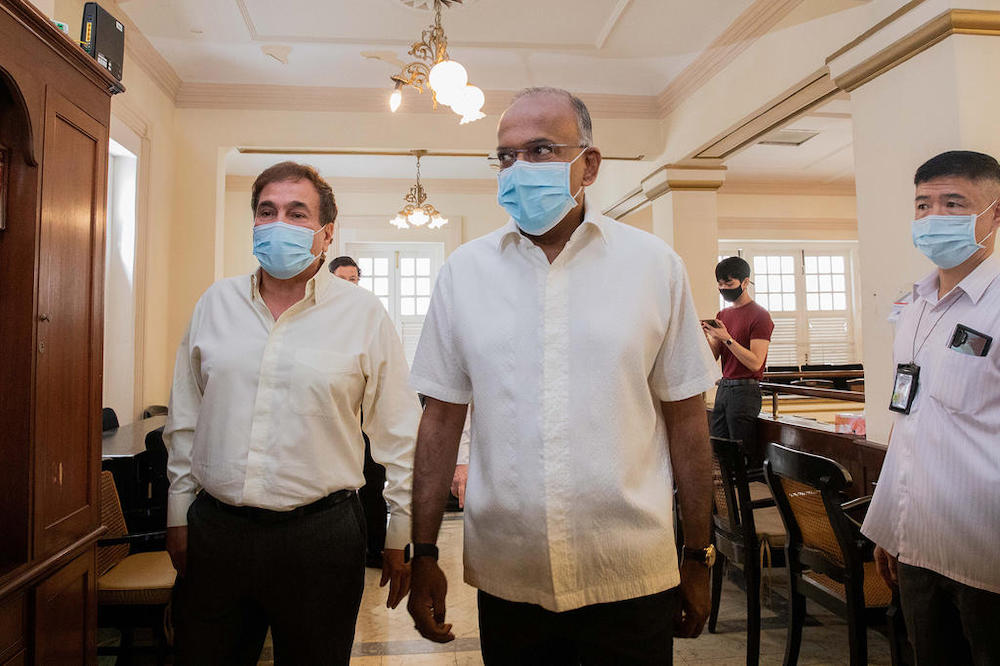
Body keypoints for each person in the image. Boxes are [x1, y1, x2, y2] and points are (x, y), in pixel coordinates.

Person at [406, 87, 721, 664]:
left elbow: (686, 420)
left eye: (541, 150)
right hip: (509, 572)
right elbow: (441, 419)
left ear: (588, 165)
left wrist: (698, 555)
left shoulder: (653, 267)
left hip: (628, 569)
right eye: (506, 156)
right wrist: (423, 550)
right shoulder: (464, 273)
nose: (519, 169)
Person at [164, 162, 419, 665]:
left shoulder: (363, 314)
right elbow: (186, 417)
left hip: (321, 538)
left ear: (327, 232)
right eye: (267, 211)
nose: (279, 223)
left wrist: (402, 530)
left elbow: (400, 432)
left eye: (297, 213)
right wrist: (178, 514)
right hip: (218, 532)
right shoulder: (215, 304)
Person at [863, 150, 1000, 665]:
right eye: (923, 205)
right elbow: (908, 421)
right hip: (918, 546)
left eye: (954, 203)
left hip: (987, 558)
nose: (933, 217)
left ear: (995, 214)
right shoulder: (914, 307)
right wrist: (888, 526)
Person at [330, 255, 389, 568]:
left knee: (373, 483)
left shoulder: (369, 315)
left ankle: (376, 549)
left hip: (366, 417)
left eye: (353, 279)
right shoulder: (320, 318)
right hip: (335, 418)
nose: (349, 285)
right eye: (342, 279)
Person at [703, 257, 773, 467]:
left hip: (745, 390)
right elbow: (713, 356)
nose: (724, 288)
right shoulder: (723, 314)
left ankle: (745, 488)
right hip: (724, 387)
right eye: (720, 284)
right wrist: (706, 337)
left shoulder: (760, 316)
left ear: (745, 282)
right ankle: (726, 489)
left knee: (741, 453)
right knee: (719, 448)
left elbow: (755, 363)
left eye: (729, 283)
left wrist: (727, 338)